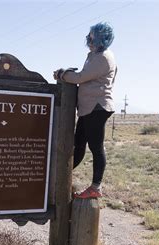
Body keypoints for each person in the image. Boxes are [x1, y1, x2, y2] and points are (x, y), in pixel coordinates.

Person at [53, 22, 117, 199]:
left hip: (97, 107)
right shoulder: (95, 55)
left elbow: (81, 77)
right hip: (90, 107)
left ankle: (96, 187)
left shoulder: (103, 57)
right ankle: (59, 177)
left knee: (95, 147)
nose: (88, 39)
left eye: (91, 36)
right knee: (79, 144)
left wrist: (61, 74)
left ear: (100, 38)